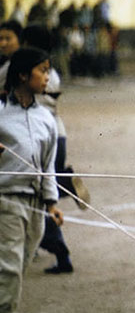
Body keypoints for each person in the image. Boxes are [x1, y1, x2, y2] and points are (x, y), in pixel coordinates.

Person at [0, 47, 63, 313]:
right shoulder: (1, 113)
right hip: (7, 199)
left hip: (36, 203)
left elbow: (48, 164)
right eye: (42, 70)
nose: (48, 76)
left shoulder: (46, 119)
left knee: (20, 261)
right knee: (9, 264)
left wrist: (52, 203)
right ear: (23, 75)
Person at [22, 25, 90, 274]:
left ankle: (60, 253)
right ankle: (65, 182)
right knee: (42, 191)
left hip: (40, 138)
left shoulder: (26, 70)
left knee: (38, 195)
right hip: (57, 134)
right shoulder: (51, 71)